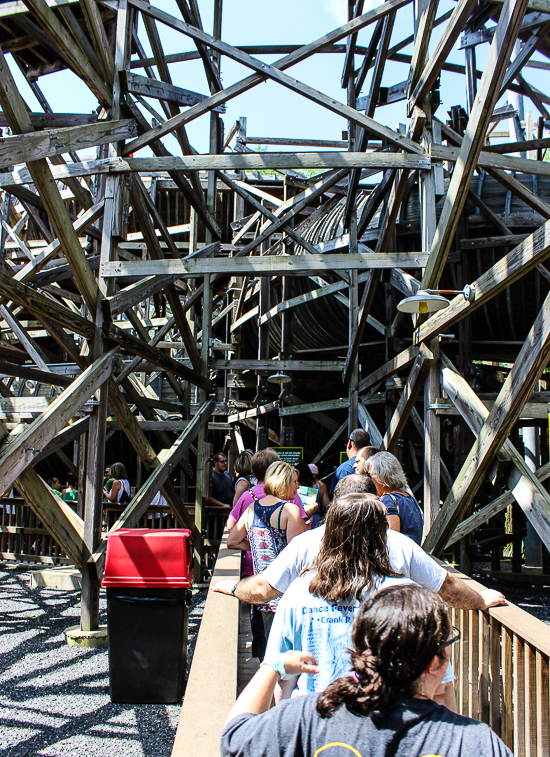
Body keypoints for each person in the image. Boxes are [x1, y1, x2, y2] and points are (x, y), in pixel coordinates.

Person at [221, 585, 512, 757]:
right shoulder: (472, 742)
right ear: (433, 664)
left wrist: (273, 666)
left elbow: (233, 740)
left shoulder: (311, 714)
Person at [214, 474, 506, 615]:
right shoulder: (397, 544)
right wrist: (479, 600)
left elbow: (264, 589)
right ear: (375, 503)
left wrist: (232, 587)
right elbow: (448, 588)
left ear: (336, 504)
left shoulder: (308, 542)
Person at [265, 493, 413, 698]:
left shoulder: (298, 591)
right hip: (383, 716)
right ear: (382, 535)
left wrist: (285, 721)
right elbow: (436, 683)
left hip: (314, 713)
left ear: (328, 533)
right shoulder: (407, 594)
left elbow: (282, 675)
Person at [227, 448, 308, 659]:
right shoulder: (290, 510)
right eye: (294, 482)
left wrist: (256, 546)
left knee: (265, 647)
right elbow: (297, 551)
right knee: (287, 650)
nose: (297, 487)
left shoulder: (252, 508)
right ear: (284, 483)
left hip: (259, 586)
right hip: (285, 588)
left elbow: (232, 541)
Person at [366, 451, 423, 546]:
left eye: (369, 474)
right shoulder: (409, 498)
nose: (368, 479)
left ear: (382, 475)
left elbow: (391, 539)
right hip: (411, 555)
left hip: (398, 558)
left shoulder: (387, 500)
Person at [329, 428, 371, 495]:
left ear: (349, 444)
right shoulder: (374, 465)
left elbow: (338, 497)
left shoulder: (344, 469)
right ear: (368, 445)